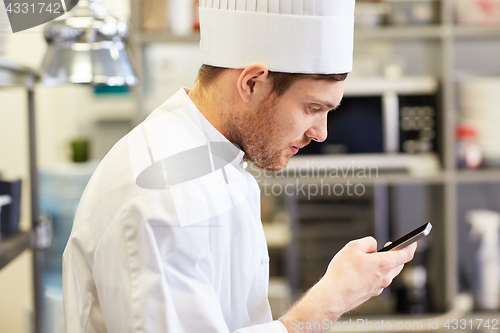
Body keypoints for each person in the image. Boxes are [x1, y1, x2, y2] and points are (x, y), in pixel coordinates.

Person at [63, 1, 417, 332]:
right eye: (312, 108)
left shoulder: (214, 155)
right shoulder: (165, 196)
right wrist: (330, 300)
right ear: (251, 83)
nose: (321, 133)